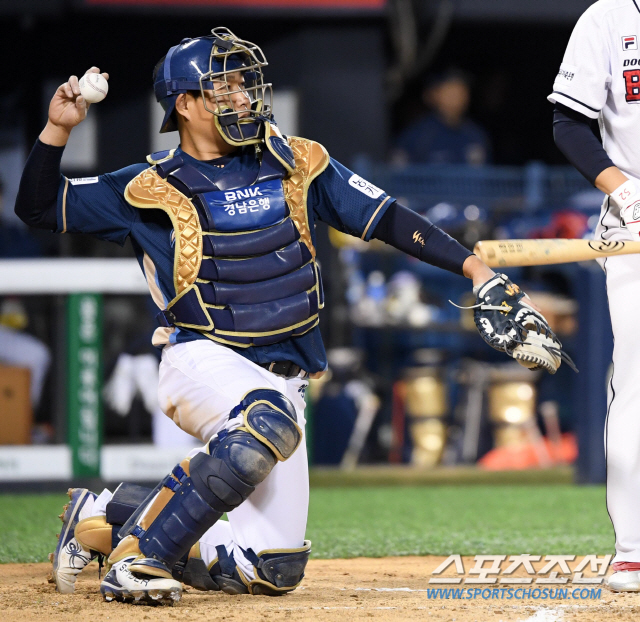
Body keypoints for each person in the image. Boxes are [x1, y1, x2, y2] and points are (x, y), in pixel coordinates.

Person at [17, 28, 552, 605]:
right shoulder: (147, 186)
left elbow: (388, 218)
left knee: (270, 567)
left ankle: (101, 516)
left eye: (243, 84)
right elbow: (38, 207)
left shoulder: (296, 160)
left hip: (282, 380)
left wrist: (475, 268)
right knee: (265, 421)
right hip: (201, 356)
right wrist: (57, 131)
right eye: (222, 87)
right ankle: (141, 558)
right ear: (185, 104)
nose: (241, 96)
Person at [549, 0, 640, 592]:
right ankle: (634, 548)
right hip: (634, 229)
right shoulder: (609, 18)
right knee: (636, 384)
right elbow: (569, 125)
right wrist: (626, 193)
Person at [392, 70, 491, 166]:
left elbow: (486, 172)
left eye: (462, 91)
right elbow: (398, 171)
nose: (457, 97)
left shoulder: (476, 135)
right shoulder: (417, 136)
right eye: (450, 91)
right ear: (432, 95)